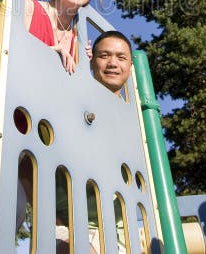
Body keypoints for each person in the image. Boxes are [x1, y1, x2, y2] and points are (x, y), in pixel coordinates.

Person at [55, 30, 134, 253]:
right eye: (103, 56)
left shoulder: (134, 122)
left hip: (120, 233)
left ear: (131, 66)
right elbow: (27, 169)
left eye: (121, 57)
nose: (112, 63)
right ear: (91, 61)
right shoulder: (74, 104)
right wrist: (62, 230)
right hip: (72, 226)